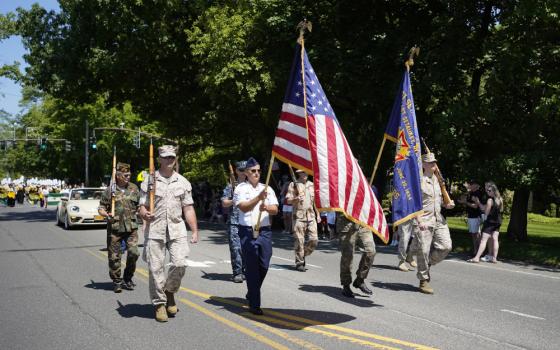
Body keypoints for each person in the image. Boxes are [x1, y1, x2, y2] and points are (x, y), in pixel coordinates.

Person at [138, 145, 199, 323]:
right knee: (155, 269)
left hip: (176, 229)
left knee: (180, 263)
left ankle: (170, 291)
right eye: (166, 157)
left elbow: (188, 208)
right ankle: (159, 304)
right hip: (155, 229)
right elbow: (142, 205)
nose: (169, 160)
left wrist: (194, 230)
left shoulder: (183, 182)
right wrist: (144, 213)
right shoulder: (149, 180)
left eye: (172, 157)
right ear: (159, 159)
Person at [234, 157, 278, 315]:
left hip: (264, 231)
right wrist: (258, 198)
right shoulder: (240, 188)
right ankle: (255, 303)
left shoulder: (267, 188)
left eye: (259, 171)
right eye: (253, 171)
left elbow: (275, 209)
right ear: (246, 173)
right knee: (252, 267)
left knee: (264, 264)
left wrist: (266, 206)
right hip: (247, 231)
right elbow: (244, 208)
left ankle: (252, 290)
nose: (257, 173)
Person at [410, 152, 455, 294]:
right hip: (424, 220)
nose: (433, 164)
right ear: (423, 165)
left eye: (434, 162)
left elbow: (439, 201)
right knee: (423, 250)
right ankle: (424, 280)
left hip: (439, 219)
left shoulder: (438, 181)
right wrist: (419, 220)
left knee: (446, 246)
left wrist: (447, 205)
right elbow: (413, 204)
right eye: (430, 162)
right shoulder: (419, 181)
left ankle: (428, 263)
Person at [98, 162, 140, 293]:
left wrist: (142, 211)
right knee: (114, 256)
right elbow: (101, 208)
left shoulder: (134, 188)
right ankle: (117, 281)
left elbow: (140, 205)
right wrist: (106, 214)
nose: (128, 177)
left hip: (131, 227)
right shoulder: (110, 190)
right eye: (125, 175)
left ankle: (128, 278)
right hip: (115, 227)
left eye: (129, 174)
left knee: (134, 253)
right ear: (118, 175)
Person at [285, 169, 319, 271]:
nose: (304, 174)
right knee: (299, 241)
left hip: (311, 216)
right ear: (299, 174)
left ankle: (302, 253)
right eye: (302, 172)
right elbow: (288, 200)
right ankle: (299, 262)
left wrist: (318, 214)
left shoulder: (312, 185)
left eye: (306, 172)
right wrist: (296, 199)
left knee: (314, 240)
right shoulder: (293, 184)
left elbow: (315, 202)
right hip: (298, 217)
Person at [336, 213, 375, 298]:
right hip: (347, 224)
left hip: (363, 223)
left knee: (371, 251)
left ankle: (360, 280)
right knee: (347, 256)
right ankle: (346, 285)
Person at [221, 160, 247, 283]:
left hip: (248, 222)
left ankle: (246, 270)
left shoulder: (252, 186)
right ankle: (237, 272)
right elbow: (224, 203)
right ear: (236, 171)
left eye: (246, 170)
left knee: (247, 248)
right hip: (234, 222)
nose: (244, 173)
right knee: (236, 248)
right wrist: (233, 200)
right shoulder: (230, 186)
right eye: (241, 170)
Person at [468, 182, 503, 263]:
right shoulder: (500, 199)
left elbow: (485, 211)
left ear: (494, 191)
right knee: (495, 239)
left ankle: (476, 257)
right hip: (498, 221)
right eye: (487, 190)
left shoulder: (490, 200)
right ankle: (494, 258)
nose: (488, 191)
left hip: (490, 222)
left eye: (489, 190)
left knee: (483, 240)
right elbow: (500, 210)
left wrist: (478, 203)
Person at [458, 180, 485, 255]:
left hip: (475, 216)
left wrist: (465, 202)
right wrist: (463, 201)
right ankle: (477, 251)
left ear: (476, 185)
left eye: (472, 184)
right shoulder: (471, 193)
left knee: (475, 234)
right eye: (470, 184)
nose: (470, 185)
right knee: (475, 234)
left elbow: (475, 206)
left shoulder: (478, 193)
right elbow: (463, 199)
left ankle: (478, 251)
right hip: (472, 215)